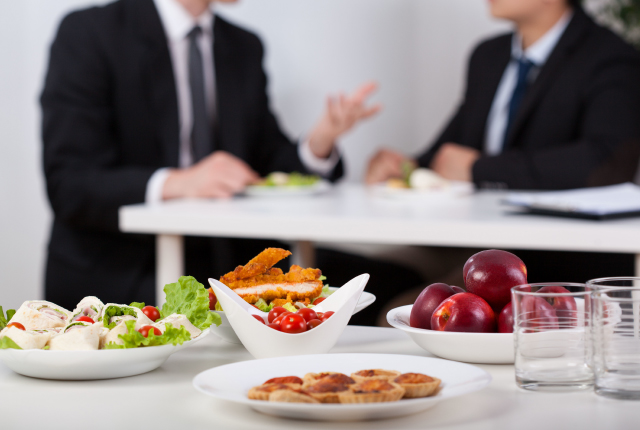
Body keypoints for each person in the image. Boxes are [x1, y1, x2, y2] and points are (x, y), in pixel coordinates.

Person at [41, 0, 380, 309]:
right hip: (123, 268)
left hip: (225, 260)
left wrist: (318, 143)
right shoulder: (90, 33)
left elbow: (264, 165)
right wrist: (179, 183)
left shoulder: (242, 47)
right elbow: (69, 183)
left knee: (383, 283)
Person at [354, 0, 640, 325]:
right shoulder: (489, 56)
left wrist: (480, 169)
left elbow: (607, 161)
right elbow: (449, 152)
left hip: (552, 252)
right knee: (349, 284)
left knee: (407, 315)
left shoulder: (611, 56)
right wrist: (405, 168)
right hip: (469, 239)